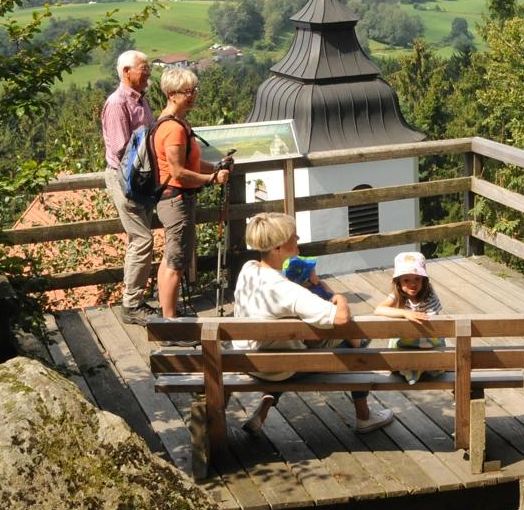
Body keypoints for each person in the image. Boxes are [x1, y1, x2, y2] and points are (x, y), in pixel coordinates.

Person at [234, 212, 392, 435]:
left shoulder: (248, 269)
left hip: (249, 360)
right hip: (279, 370)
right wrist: (339, 297)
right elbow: (340, 318)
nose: (297, 238)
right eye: (292, 236)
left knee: (291, 345)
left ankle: (264, 406)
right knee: (357, 337)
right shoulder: (286, 290)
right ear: (278, 247)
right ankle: (364, 416)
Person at [151, 66, 231, 320]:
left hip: (171, 200)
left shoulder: (171, 122)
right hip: (177, 200)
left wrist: (216, 166)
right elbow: (177, 172)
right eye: (189, 91)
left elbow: (189, 164)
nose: (194, 95)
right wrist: (212, 178)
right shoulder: (173, 129)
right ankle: (171, 323)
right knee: (177, 262)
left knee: (171, 259)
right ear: (172, 94)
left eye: (194, 89)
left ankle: (168, 314)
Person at [102, 51, 160, 324]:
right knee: (142, 240)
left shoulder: (139, 99)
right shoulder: (117, 104)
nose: (148, 73)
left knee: (140, 240)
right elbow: (121, 149)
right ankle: (131, 305)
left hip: (140, 182)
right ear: (127, 71)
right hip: (127, 182)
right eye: (143, 69)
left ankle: (135, 299)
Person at [374, 250, 445, 384]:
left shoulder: (429, 295)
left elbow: (432, 323)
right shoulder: (398, 295)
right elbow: (378, 309)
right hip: (411, 346)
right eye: (406, 280)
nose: (413, 284)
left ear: (424, 280)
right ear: (398, 282)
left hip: (424, 344)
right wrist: (405, 313)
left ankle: (407, 369)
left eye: (417, 279)